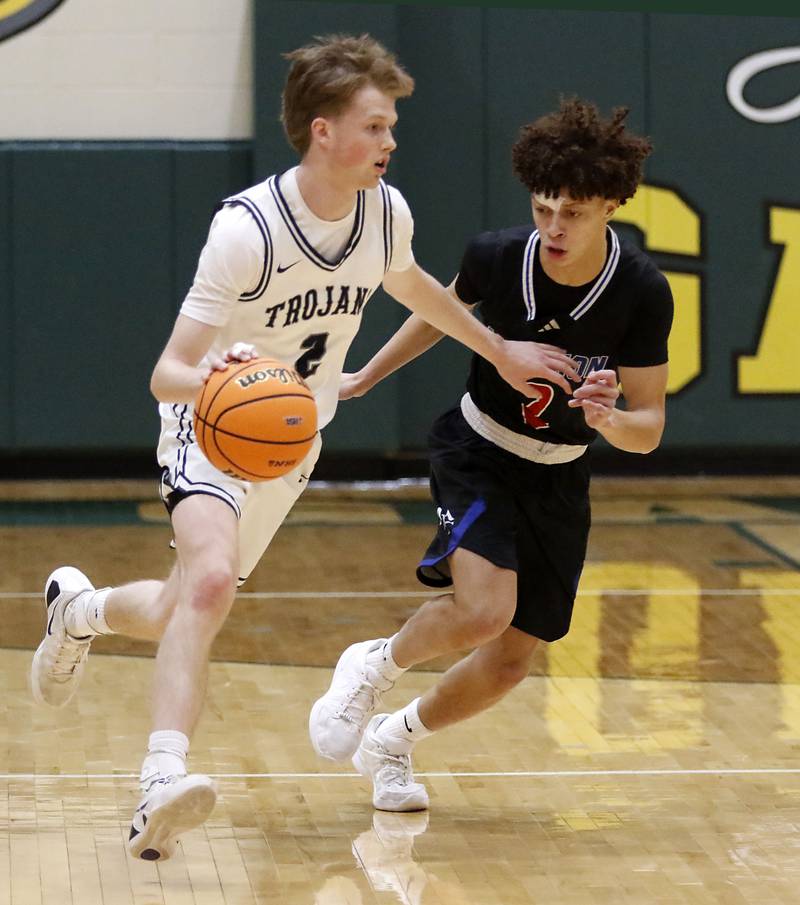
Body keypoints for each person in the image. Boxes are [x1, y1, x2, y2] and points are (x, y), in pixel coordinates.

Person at [29, 35, 576, 861]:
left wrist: (500, 350)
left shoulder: (386, 213)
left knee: (185, 602)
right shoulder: (246, 231)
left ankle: (80, 612)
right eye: (376, 125)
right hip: (211, 426)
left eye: (392, 126)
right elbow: (164, 374)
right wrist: (211, 373)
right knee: (211, 583)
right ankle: (160, 781)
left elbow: (416, 284)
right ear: (323, 131)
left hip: (292, 441)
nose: (391, 141)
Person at [309, 97, 674, 812]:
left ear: (608, 204)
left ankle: (393, 740)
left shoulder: (641, 291)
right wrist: (363, 376)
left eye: (571, 211)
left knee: (510, 661)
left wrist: (608, 417)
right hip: (476, 448)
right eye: (543, 208)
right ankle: (371, 667)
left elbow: (651, 424)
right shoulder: (499, 256)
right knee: (482, 609)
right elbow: (436, 316)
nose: (554, 226)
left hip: (560, 477)